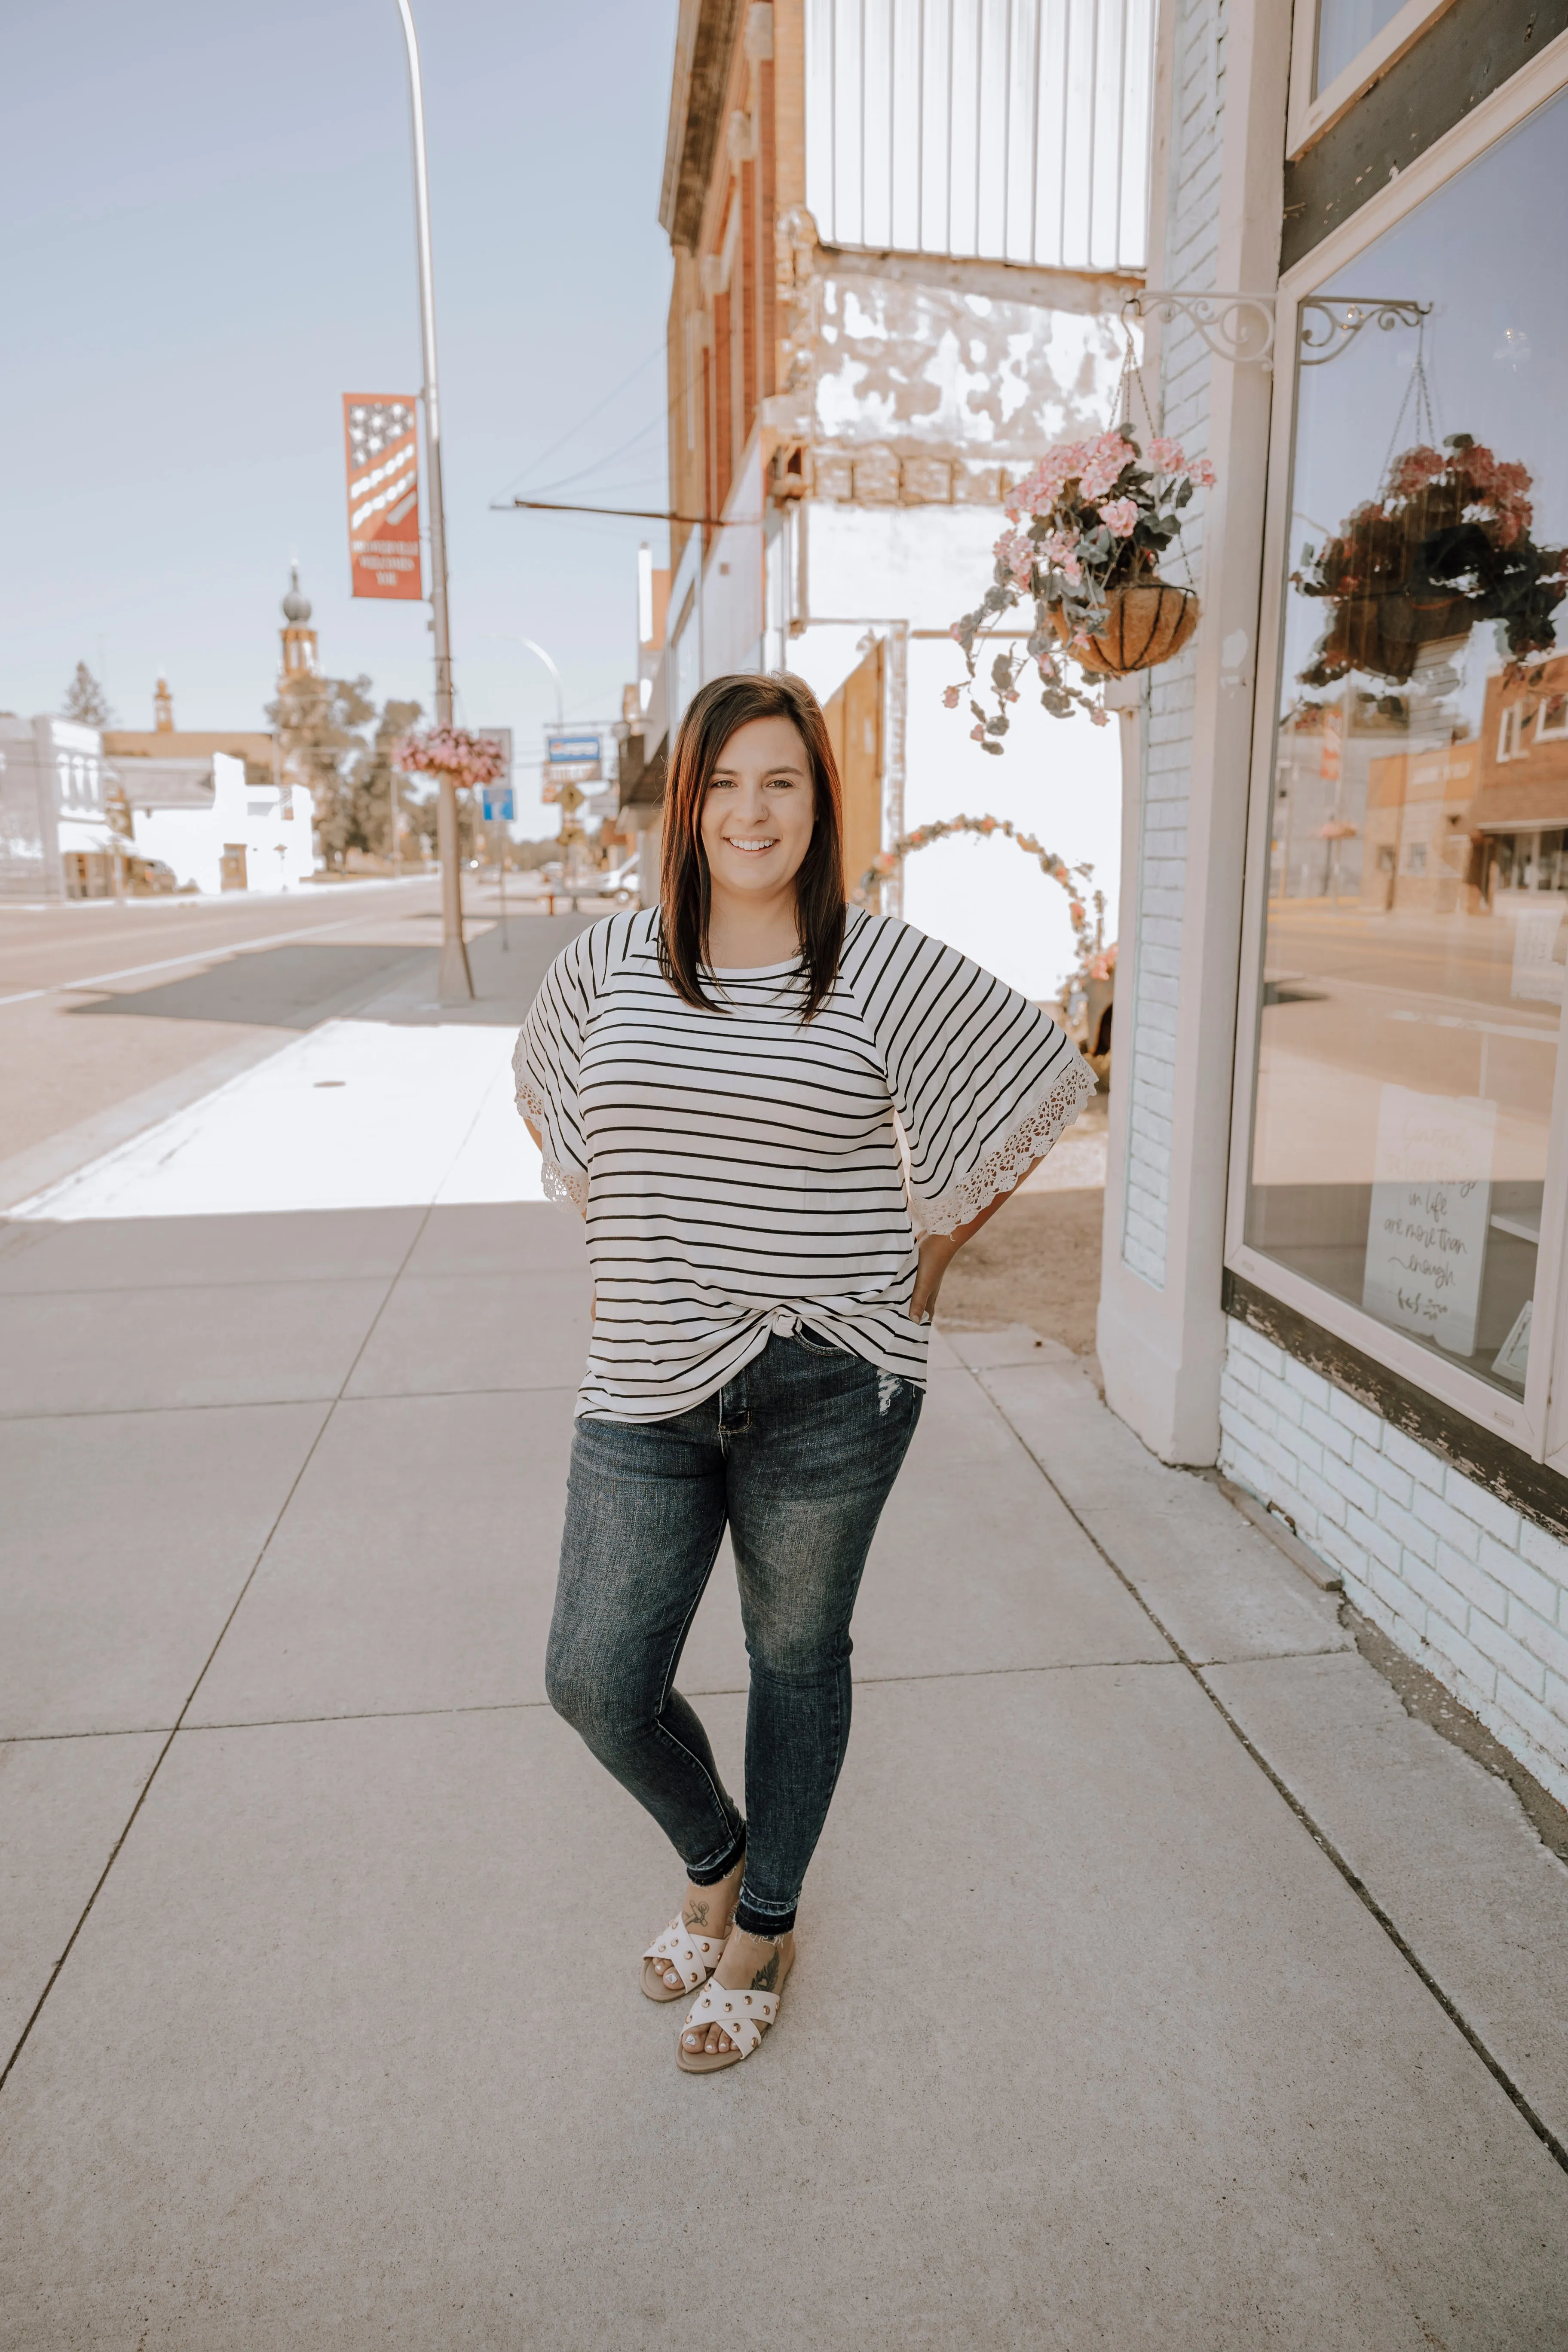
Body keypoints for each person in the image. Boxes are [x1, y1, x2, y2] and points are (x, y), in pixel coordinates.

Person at [514, 671, 1093, 2073]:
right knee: (595, 1678)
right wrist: (622, 1250)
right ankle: (715, 1854)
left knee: (794, 1658)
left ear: (820, 802)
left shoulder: (878, 964)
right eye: (721, 783)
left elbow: (1037, 1071)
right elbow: (551, 1097)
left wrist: (928, 1271)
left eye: (780, 780)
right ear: (685, 804)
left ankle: (764, 1924)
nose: (750, 810)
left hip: (829, 1389)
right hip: (646, 1382)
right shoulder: (605, 961)